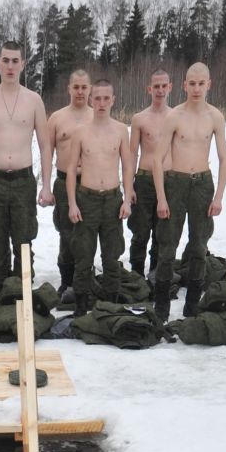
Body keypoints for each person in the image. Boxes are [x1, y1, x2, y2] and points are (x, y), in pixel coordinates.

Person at [0, 42, 53, 296]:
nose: (10, 66)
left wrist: (46, 185)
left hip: (24, 181)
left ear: (23, 64)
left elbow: (45, 146)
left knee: (24, 240)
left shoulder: (34, 100)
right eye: (6, 60)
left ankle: (23, 295)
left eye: (15, 61)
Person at [151, 62, 226, 322]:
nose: (196, 88)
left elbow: (224, 159)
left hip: (202, 185)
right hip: (176, 183)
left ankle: (192, 305)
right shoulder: (175, 116)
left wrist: (218, 197)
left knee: (198, 246)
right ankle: (160, 306)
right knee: (167, 247)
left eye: (201, 83)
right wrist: (161, 197)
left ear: (209, 84)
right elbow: (157, 159)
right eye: (192, 83)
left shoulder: (215, 116)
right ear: (184, 85)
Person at [65, 79, 132, 316]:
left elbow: (127, 166)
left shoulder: (121, 130)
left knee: (112, 256)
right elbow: (71, 169)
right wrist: (72, 203)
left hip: (113, 200)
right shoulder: (81, 132)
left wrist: (126, 199)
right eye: (98, 98)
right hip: (87, 200)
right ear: (91, 100)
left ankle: (111, 307)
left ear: (113, 100)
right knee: (83, 257)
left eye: (106, 98)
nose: (102, 103)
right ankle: (81, 309)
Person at [46, 69, 93, 297]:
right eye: (76, 87)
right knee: (66, 233)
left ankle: (84, 279)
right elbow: (47, 153)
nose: (80, 92)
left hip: (91, 183)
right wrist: (46, 186)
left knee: (87, 233)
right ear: (69, 89)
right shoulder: (56, 118)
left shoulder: (97, 116)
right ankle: (66, 281)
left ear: (90, 89)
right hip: (65, 181)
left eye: (84, 87)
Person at [127, 69, 172, 278]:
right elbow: (131, 155)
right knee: (140, 232)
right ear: (149, 89)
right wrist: (128, 188)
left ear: (170, 87)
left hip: (169, 179)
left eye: (164, 86)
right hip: (144, 181)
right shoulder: (139, 119)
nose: (160, 90)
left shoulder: (176, 116)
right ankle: (136, 275)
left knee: (162, 233)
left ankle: (156, 274)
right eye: (156, 86)